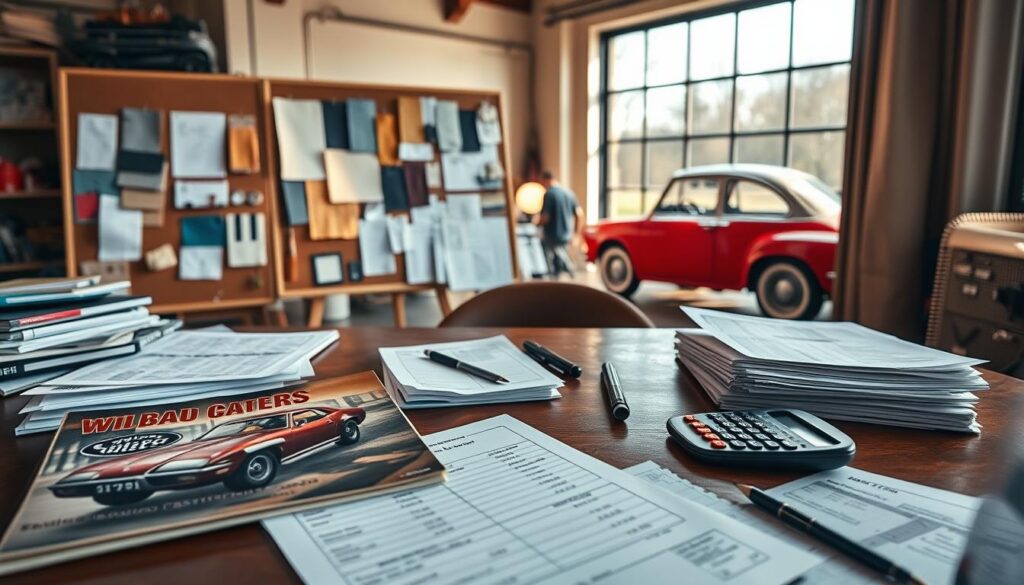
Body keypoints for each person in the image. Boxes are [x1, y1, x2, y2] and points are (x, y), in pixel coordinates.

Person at [535, 170, 583, 277]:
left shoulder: (549, 194)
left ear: (546, 180)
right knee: (560, 255)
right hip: (566, 234)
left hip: (552, 235)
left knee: (550, 254)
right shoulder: (569, 193)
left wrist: (536, 224)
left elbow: (545, 217)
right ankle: (563, 274)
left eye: (542, 183)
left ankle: (560, 273)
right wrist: (576, 233)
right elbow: (579, 214)